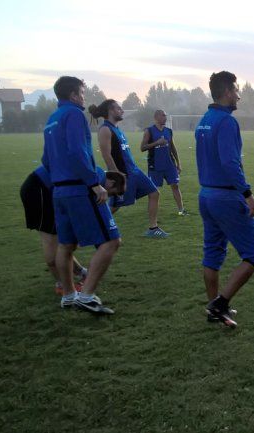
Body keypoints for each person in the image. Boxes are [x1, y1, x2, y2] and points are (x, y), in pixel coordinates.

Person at [41, 76, 121, 314]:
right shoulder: (74, 115)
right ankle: (85, 296)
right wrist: (94, 183)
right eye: (82, 93)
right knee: (111, 241)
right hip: (78, 189)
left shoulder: (52, 119)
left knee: (66, 245)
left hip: (60, 191)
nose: (84, 97)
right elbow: (77, 152)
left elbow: (46, 159)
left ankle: (68, 295)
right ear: (74, 95)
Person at [195, 71, 254, 328]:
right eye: (236, 90)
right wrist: (248, 194)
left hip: (206, 196)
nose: (238, 96)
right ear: (226, 92)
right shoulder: (226, 121)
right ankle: (220, 303)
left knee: (212, 255)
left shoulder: (204, 120)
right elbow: (229, 162)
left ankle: (214, 307)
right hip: (226, 198)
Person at [20, 164, 125, 294]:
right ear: (111, 183)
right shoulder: (95, 180)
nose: (107, 196)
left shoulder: (96, 174)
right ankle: (62, 285)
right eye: (112, 193)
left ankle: (80, 272)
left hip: (40, 188)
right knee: (52, 242)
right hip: (40, 190)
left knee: (62, 242)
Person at [90, 99, 168, 237]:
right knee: (115, 205)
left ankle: (153, 228)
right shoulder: (105, 129)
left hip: (134, 171)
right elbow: (106, 155)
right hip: (123, 174)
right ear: (110, 111)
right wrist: (117, 176)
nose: (122, 111)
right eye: (118, 108)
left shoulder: (117, 129)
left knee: (154, 193)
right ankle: (92, 225)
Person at [141, 109, 186, 215]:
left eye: (165, 115)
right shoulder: (149, 131)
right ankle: (153, 213)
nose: (165, 118)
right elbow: (142, 148)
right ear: (156, 117)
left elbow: (173, 147)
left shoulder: (168, 131)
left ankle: (181, 210)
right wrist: (157, 143)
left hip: (169, 164)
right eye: (163, 115)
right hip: (155, 166)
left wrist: (178, 163)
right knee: (153, 190)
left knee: (175, 185)